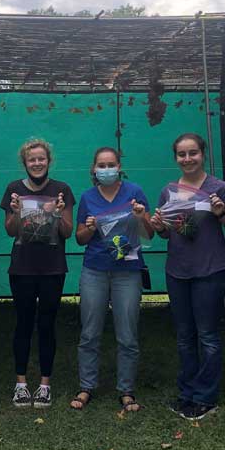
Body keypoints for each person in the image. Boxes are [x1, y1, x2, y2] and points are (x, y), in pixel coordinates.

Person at [150, 133, 225, 420]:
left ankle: (205, 396)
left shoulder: (220, 188)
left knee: (209, 337)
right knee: (185, 337)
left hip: (210, 270)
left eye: (193, 153)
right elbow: (165, 232)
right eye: (181, 154)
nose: (187, 159)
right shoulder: (169, 191)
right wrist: (158, 225)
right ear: (176, 158)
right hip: (178, 271)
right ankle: (186, 393)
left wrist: (220, 213)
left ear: (203, 154)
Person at [70, 146, 153, 412]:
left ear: (119, 166)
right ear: (94, 169)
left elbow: (149, 233)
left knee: (127, 334)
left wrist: (141, 217)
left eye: (111, 164)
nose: (106, 169)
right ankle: (86, 386)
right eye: (101, 165)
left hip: (127, 272)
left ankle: (126, 390)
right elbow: (80, 237)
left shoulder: (135, 192)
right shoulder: (87, 197)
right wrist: (90, 228)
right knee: (89, 332)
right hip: (94, 269)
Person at [0, 139, 75, 408]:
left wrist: (57, 213)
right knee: (22, 323)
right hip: (22, 267)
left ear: (48, 160)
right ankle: (21, 383)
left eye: (41, 158)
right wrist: (17, 213)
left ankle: (45, 384)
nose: (37, 163)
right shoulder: (14, 190)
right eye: (32, 159)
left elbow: (68, 232)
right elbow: (10, 230)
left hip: (53, 267)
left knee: (47, 324)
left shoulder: (62, 190)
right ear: (25, 162)